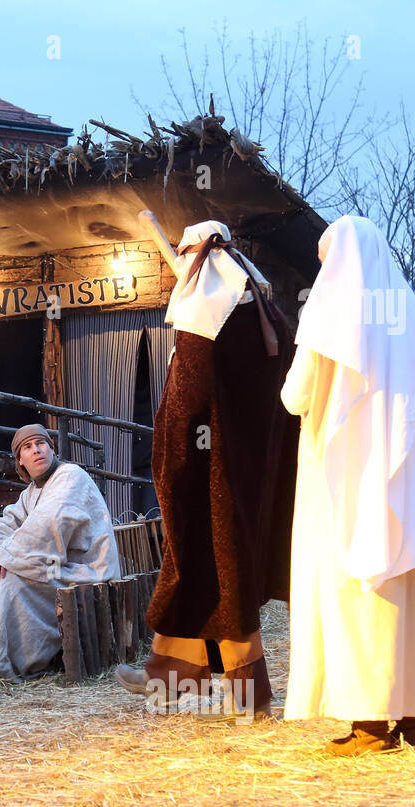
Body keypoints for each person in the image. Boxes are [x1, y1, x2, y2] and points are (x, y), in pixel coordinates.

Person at [278, 214, 415, 756]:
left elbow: (296, 396)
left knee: (353, 583)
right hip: (398, 468)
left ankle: (370, 722)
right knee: (407, 577)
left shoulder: (327, 311)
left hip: (340, 471)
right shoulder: (406, 309)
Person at [113, 220, 297, 720]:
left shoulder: (204, 309)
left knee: (222, 572)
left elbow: (187, 400)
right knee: (195, 568)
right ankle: (169, 676)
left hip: (208, 470)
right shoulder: (268, 315)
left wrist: (171, 461)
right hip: (251, 468)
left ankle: (250, 696)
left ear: (194, 256)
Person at [0, 424, 120, 684]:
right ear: (20, 461)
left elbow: (49, 523)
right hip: (61, 566)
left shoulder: (70, 476)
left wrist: (7, 554)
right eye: (27, 447)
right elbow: (12, 522)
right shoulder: (33, 491)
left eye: (41, 444)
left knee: (10, 575)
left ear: (51, 448)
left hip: (86, 570)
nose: (36, 450)